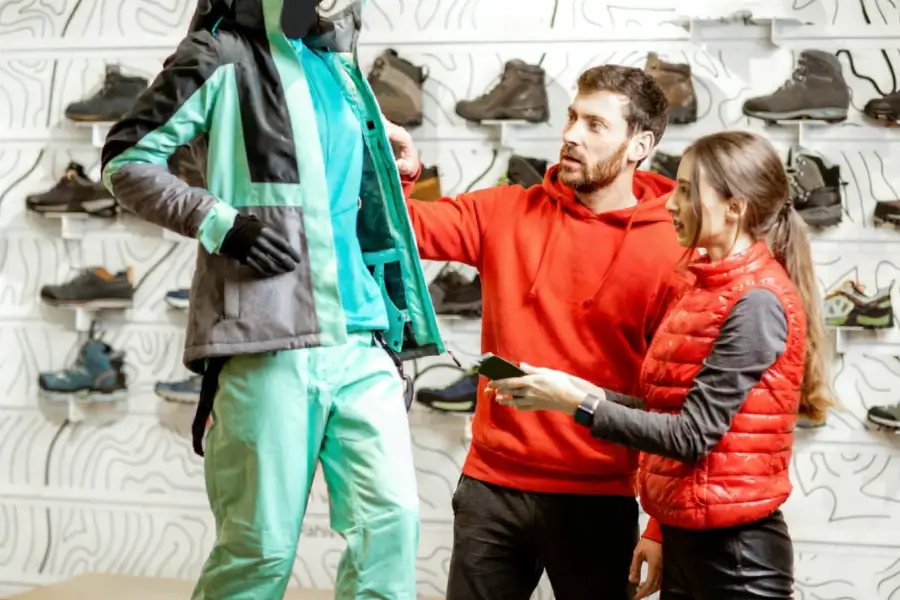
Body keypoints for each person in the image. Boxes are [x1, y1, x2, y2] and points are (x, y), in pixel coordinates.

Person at [100, 0, 446, 598]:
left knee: (392, 525)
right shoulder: (218, 53)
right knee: (258, 551)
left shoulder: (340, 64)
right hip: (267, 335)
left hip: (362, 338)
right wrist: (221, 223)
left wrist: (393, 169)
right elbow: (127, 160)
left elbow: (339, 188)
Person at [488, 130, 833, 600]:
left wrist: (577, 404)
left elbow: (691, 437)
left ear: (735, 206)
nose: (671, 202)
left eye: (688, 191)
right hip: (692, 543)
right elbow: (662, 408)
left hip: (737, 561)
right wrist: (567, 387)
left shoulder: (756, 302)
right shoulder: (704, 287)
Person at [385, 64, 683, 599]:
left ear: (640, 145)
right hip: (490, 488)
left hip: (600, 497)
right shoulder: (507, 210)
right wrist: (401, 173)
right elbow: (404, 228)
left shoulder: (670, 248)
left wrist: (659, 524)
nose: (570, 134)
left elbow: (673, 401)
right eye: (572, 117)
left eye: (595, 125)